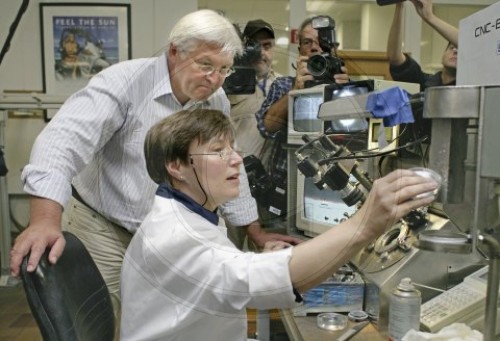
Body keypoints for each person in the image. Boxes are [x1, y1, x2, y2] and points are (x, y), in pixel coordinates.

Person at [10, 9, 301, 319]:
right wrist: (44, 220)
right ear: (175, 51)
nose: (215, 79)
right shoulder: (124, 81)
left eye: (224, 69)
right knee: (98, 320)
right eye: (205, 65)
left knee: (157, 321)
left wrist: (253, 230)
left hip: (164, 234)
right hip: (103, 227)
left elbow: (232, 163)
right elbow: (60, 142)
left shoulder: (216, 100)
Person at [120, 108, 439, 340]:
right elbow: (260, 284)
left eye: (232, 148)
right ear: (176, 166)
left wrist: (266, 258)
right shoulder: (175, 235)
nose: (235, 159)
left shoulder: (190, 214)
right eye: (218, 151)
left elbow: (225, 271)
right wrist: (364, 224)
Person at [254, 16, 350, 217]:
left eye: (321, 42)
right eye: (307, 42)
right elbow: (266, 127)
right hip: (284, 188)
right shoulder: (283, 86)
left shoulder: (346, 87)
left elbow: (357, 139)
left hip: (328, 190)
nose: (315, 48)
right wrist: (295, 92)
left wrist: (345, 94)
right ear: (299, 51)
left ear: (333, 49)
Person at [227, 19, 283, 249]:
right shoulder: (226, 82)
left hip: (265, 186)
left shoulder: (284, 86)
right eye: (255, 46)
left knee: (264, 252)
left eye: (267, 46)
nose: (261, 53)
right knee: (230, 250)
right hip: (230, 184)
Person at [387, 0, 458, 91]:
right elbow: (394, 57)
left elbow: (466, 42)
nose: (456, 51)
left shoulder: (470, 89)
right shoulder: (425, 83)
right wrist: (399, 5)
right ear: (443, 54)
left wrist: (430, 17)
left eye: (460, 49)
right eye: (452, 48)